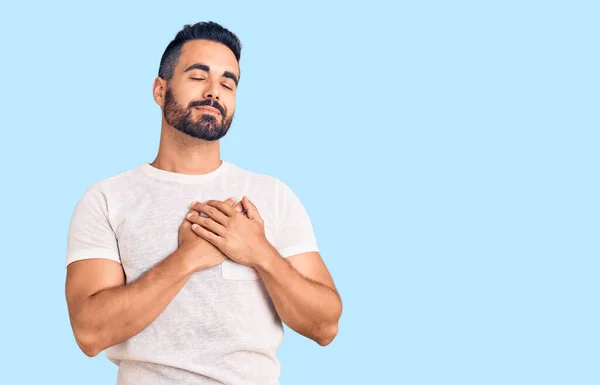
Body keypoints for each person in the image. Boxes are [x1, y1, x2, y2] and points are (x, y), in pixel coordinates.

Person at [64, 21, 342, 385]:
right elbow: (90, 333)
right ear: (160, 90)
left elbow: (326, 325)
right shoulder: (108, 198)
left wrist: (259, 252)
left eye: (228, 83)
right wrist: (188, 258)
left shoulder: (271, 195)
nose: (215, 92)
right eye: (198, 77)